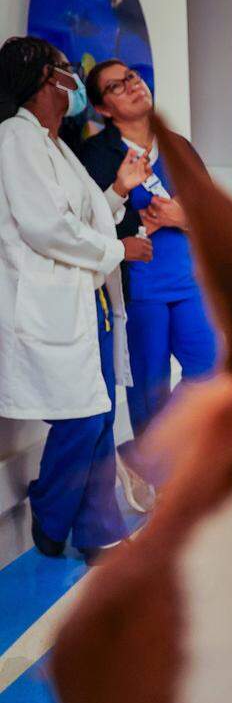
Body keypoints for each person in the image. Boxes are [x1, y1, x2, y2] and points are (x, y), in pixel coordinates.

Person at [0, 36, 152, 564]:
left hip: (91, 303)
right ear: (45, 80)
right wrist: (120, 248)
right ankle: (50, 503)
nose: (73, 80)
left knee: (100, 416)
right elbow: (46, 228)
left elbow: (87, 219)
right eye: (65, 71)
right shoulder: (15, 140)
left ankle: (98, 533)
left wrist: (119, 192)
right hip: (53, 302)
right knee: (83, 418)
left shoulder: (57, 146)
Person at [79, 59, 218, 499]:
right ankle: (162, 479)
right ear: (103, 109)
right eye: (117, 87)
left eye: (132, 78)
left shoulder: (178, 147)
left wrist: (183, 215)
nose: (132, 87)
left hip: (188, 278)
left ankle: (143, 455)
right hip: (139, 286)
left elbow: (211, 209)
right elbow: (87, 222)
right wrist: (129, 230)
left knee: (210, 367)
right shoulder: (97, 156)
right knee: (149, 388)